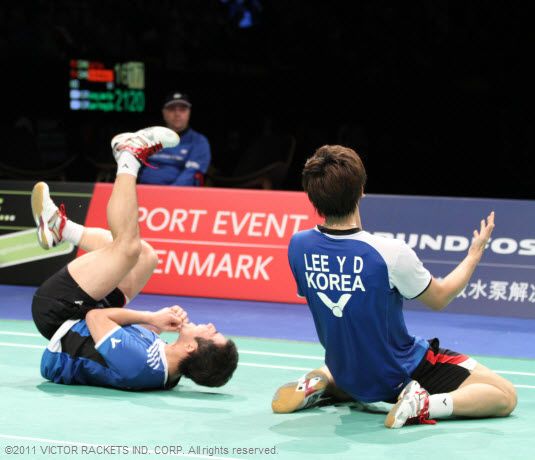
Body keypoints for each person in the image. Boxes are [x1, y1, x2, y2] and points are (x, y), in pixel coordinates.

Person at [272, 145, 517, 428]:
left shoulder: (298, 246)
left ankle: (320, 381)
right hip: (398, 372)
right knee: (504, 394)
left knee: (349, 363)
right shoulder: (389, 252)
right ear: (361, 190)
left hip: (349, 373)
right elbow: (440, 298)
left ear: (312, 195)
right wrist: (475, 254)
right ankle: (422, 403)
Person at [31, 126, 238, 391]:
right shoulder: (168, 370)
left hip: (58, 312)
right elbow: (129, 337)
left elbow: (97, 318)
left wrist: (151, 316)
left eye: (212, 334)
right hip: (79, 317)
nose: (211, 326)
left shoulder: (141, 366)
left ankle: (129, 156)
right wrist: (157, 327)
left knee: (128, 249)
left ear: (191, 347)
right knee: (146, 257)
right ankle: (61, 229)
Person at [139, 92, 211, 186]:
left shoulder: (199, 141)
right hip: (142, 191)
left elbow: (191, 173)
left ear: (189, 113)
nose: (177, 114)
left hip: (178, 195)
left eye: (182, 109)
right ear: (164, 113)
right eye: (172, 109)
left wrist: (170, 194)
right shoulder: (150, 137)